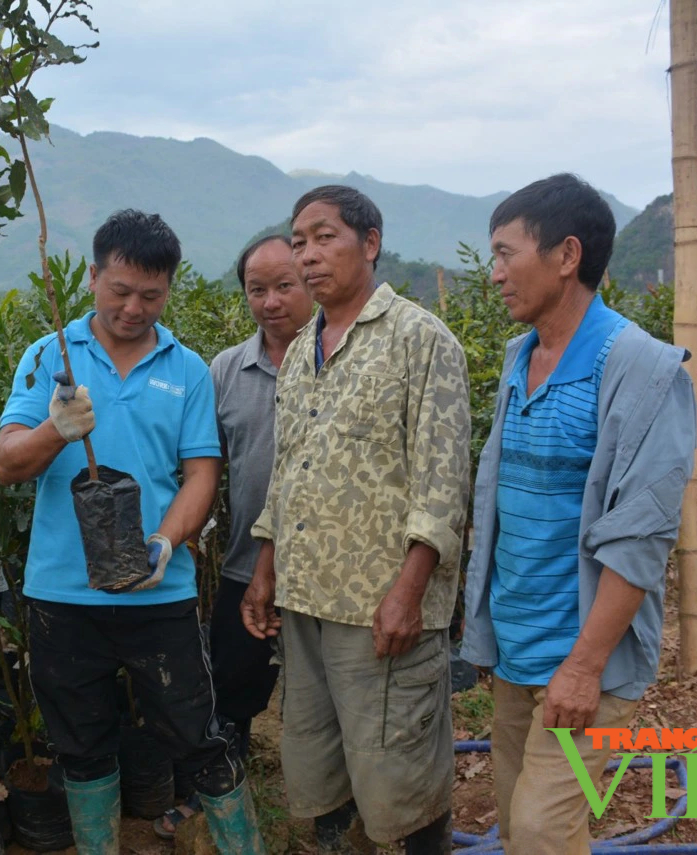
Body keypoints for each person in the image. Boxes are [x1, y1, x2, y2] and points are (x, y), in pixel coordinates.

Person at [0, 209, 266, 855]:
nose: (133, 307)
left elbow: (201, 474)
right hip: (63, 595)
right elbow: (6, 465)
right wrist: (55, 429)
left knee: (198, 735)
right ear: (92, 277)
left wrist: (164, 543)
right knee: (80, 744)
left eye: (150, 294)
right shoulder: (48, 357)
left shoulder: (187, 369)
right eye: (120, 291)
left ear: (169, 289)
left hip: (158, 594)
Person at [460, 174, 697, 855]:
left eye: (506, 253)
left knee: (538, 828)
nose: (495, 273)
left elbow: (639, 537)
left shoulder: (643, 370)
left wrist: (583, 666)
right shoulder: (519, 356)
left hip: (582, 658)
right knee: (521, 823)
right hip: (515, 647)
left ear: (565, 256)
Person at [242, 185, 471, 853]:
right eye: (298, 241)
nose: (308, 255)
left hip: (381, 609)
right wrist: (265, 569)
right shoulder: (299, 354)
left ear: (369, 244)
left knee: (401, 767)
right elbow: (286, 473)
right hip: (307, 598)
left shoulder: (419, 340)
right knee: (321, 757)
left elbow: (441, 482)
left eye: (324, 237)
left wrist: (408, 592)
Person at [156, 234, 315, 840]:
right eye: (257, 289)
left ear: (311, 283)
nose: (271, 301)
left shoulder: (342, 359)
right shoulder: (226, 369)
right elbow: (205, 466)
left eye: (285, 286)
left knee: (325, 688)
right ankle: (222, 785)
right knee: (233, 681)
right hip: (249, 564)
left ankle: (334, 802)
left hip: (331, 570)